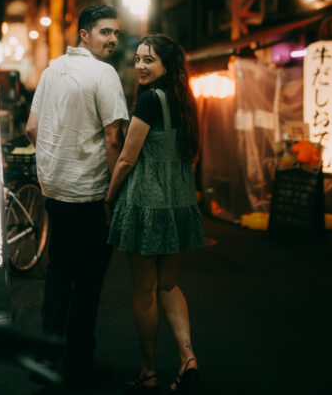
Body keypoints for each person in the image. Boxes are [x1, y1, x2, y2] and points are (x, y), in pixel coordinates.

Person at [26, 4, 129, 387]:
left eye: (116, 33)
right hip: (90, 192)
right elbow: (114, 137)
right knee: (88, 280)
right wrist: (113, 194)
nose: (113, 39)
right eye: (105, 32)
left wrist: (55, 164)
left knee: (58, 272)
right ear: (84, 34)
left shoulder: (52, 71)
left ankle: (46, 356)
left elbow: (32, 127)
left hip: (56, 189)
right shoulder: (104, 74)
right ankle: (79, 362)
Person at [107, 34, 204, 394]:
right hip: (177, 203)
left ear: (166, 65)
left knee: (145, 290)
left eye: (149, 60)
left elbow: (127, 159)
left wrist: (109, 197)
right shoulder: (184, 100)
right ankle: (187, 357)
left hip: (146, 204)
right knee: (169, 285)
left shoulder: (149, 102)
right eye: (137, 60)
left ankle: (148, 371)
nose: (141, 67)